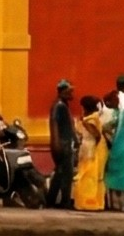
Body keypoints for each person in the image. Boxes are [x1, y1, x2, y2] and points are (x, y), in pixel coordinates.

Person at [72, 95, 108, 212]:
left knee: (88, 176)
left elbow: (96, 135)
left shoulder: (92, 119)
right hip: (88, 148)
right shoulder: (91, 117)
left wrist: (84, 123)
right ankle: (89, 203)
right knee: (87, 176)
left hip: (91, 149)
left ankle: (89, 203)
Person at [46, 80, 78, 209]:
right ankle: (64, 201)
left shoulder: (62, 105)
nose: (71, 94)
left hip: (64, 143)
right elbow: (54, 125)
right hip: (63, 144)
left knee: (60, 173)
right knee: (66, 174)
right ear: (63, 92)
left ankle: (50, 200)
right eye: (69, 91)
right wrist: (56, 142)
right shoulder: (59, 106)